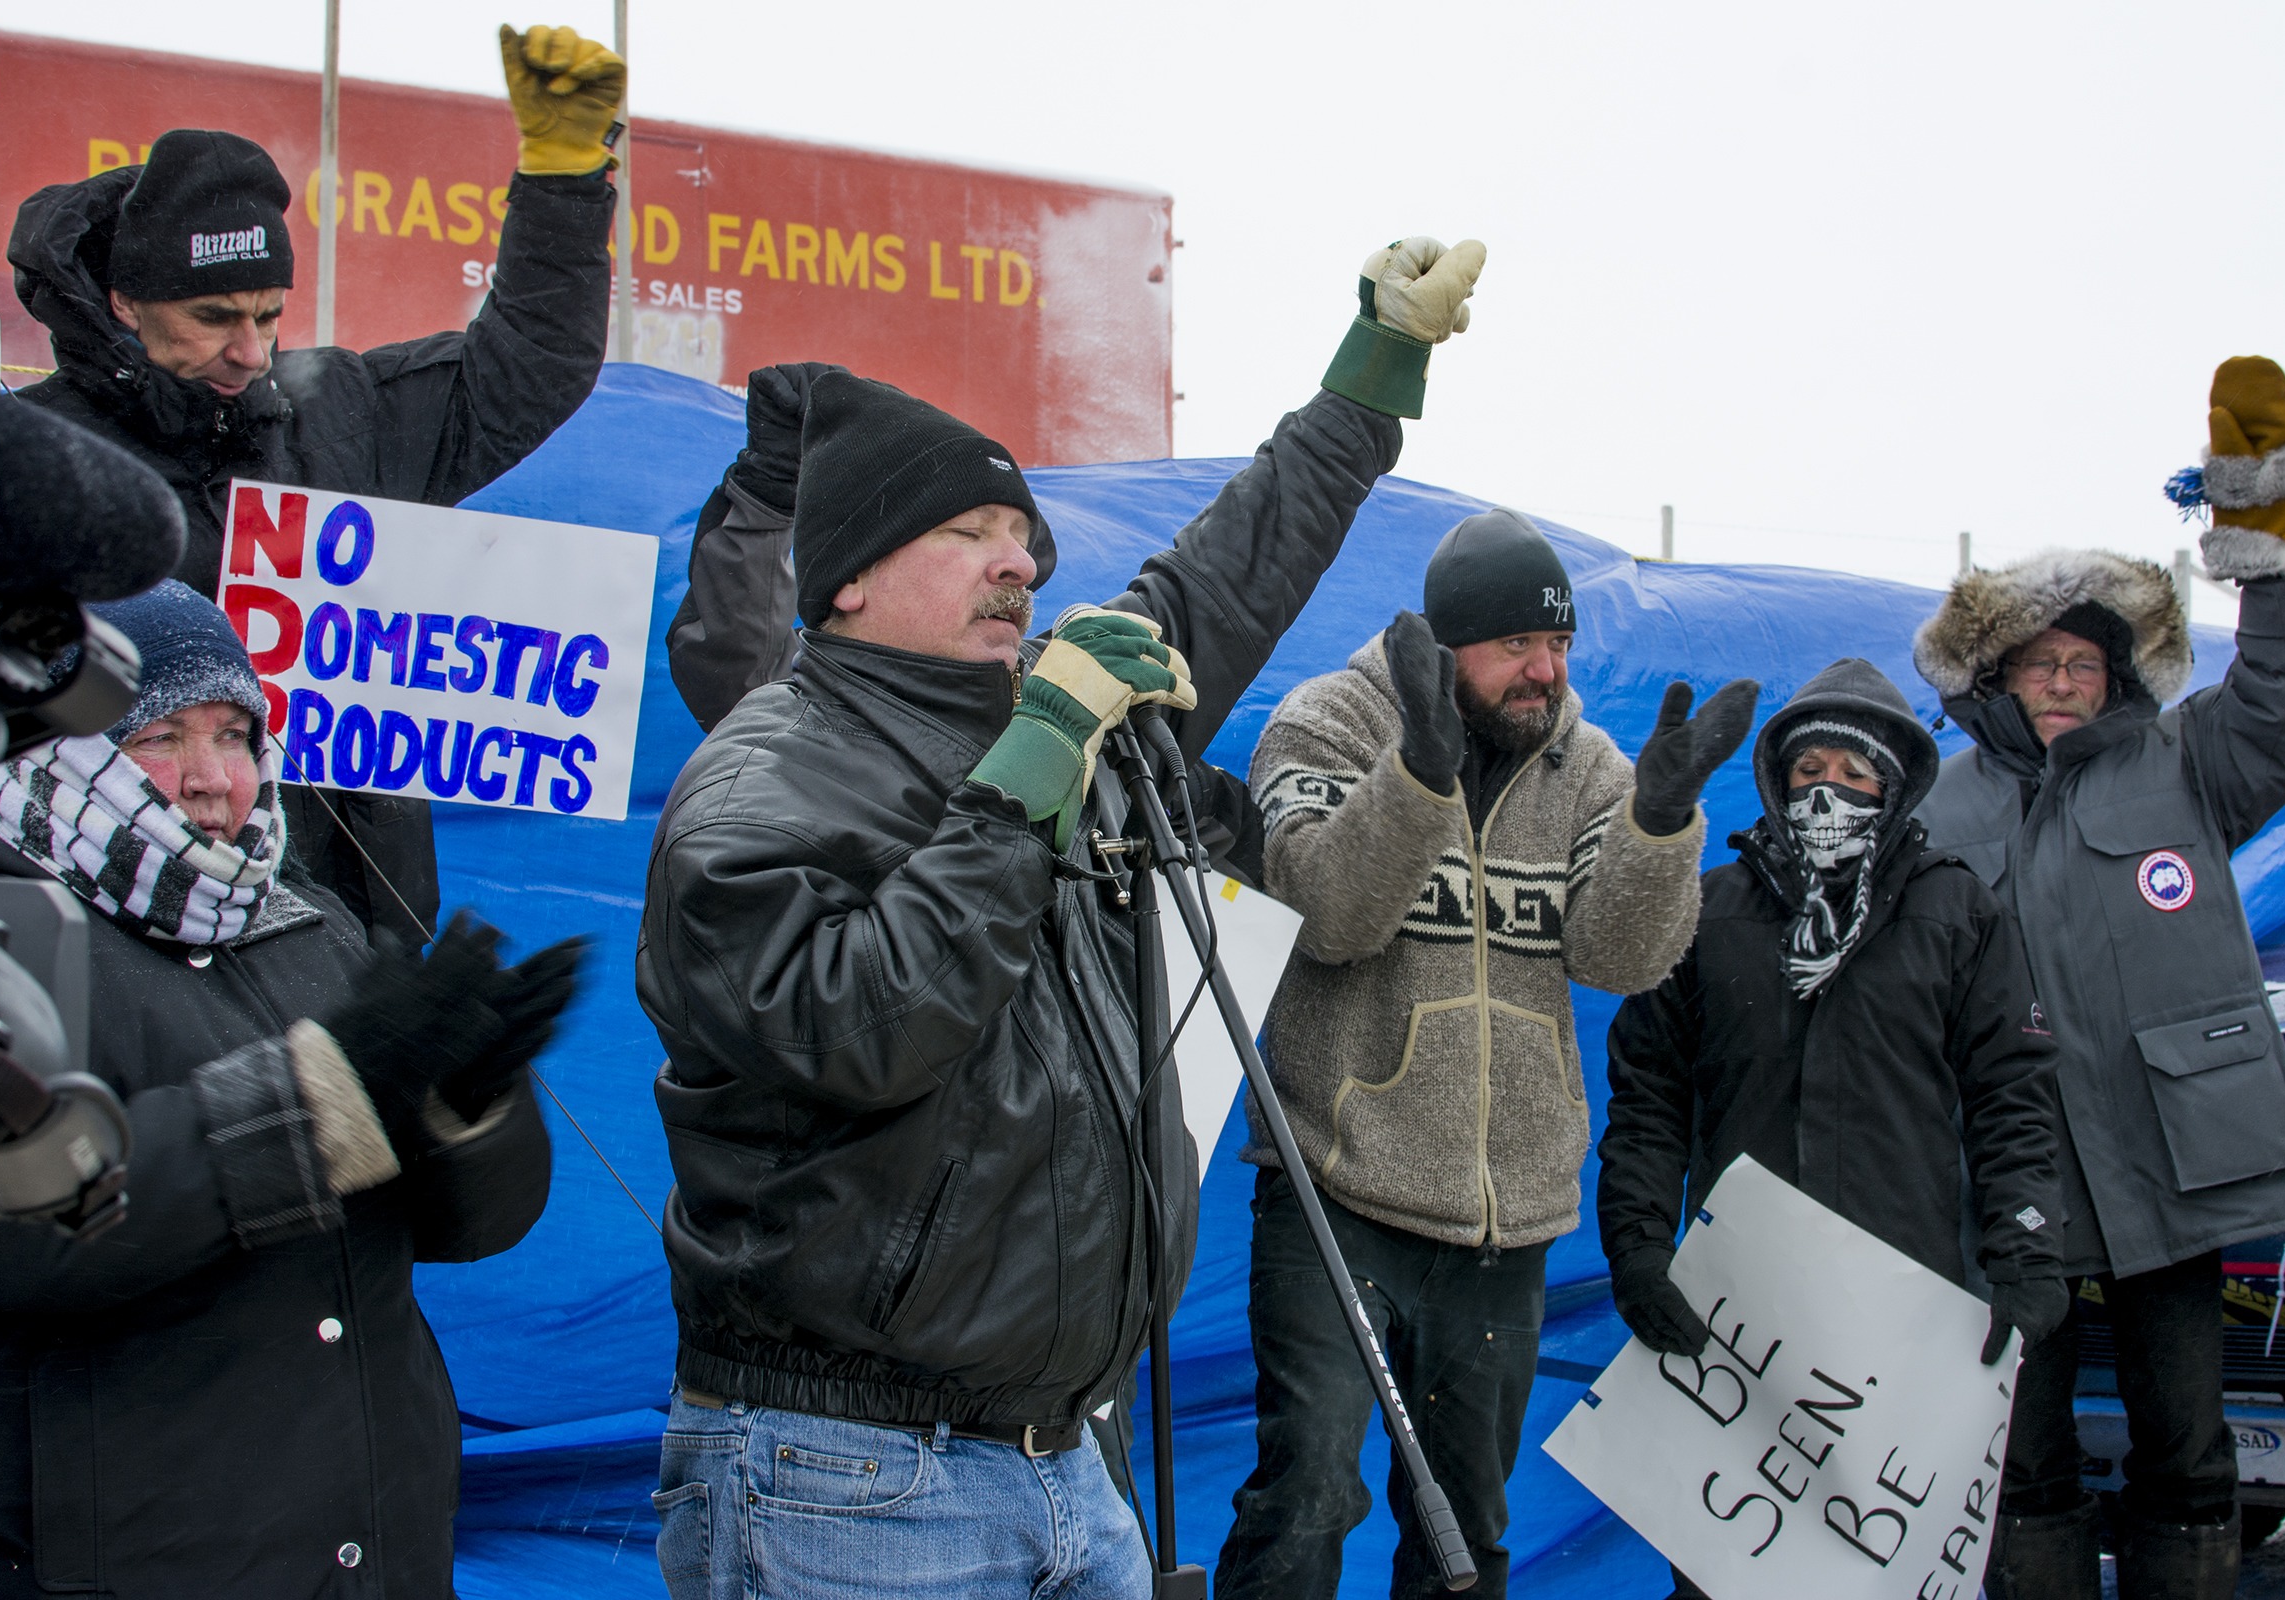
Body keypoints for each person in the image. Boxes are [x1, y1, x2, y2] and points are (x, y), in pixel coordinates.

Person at [636, 236, 1488, 1600]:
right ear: (847, 577)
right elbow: (866, 1025)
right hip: (848, 1480)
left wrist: (1376, 372)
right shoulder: (763, 779)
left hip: (1064, 1462)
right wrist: (1035, 761)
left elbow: (1231, 570)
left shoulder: (1071, 711)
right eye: (965, 535)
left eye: (1022, 535)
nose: (1016, 560)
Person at [0, 580, 585, 1597]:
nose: (211, 779)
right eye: (156, 737)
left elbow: (469, 1228)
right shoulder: (0, 939)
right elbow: (22, 1229)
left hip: (369, 1555)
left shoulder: (309, 923)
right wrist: (320, 1099)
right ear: (53, 748)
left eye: (234, 733)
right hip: (135, 1563)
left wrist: (465, 1109)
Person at [1215, 508, 1757, 1599]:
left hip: (1504, 1220)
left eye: (1556, 647)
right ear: (1445, 638)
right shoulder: (1323, 723)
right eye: (1516, 645)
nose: (1544, 673)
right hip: (1337, 1193)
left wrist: (1659, 822)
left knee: (1467, 1525)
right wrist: (1416, 769)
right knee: (1307, 1495)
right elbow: (1326, 916)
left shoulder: (1588, 764)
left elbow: (1621, 957)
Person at [8, 24, 622, 944]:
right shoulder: (34, 459)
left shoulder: (339, 411)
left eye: (269, 316)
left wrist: (566, 179)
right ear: (125, 305)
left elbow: (525, 368)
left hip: (350, 926)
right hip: (120, 932)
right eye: (215, 317)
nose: (251, 353)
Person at [1913, 357, 2285, 1600]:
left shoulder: (2188, 764)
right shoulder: (1934, 813)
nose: (2061, 679)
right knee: (2021, 1454)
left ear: (2117, 675)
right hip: (2015, 1183)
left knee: (2189, 1446)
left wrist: (2271, 541)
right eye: (2036, 662)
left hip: (2172, 1157)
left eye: (2083, 663)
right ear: (1993, 677)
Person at [1599, 658, 2067, 1600]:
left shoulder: (1955, 909)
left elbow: (2012, 1094)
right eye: (1810, 767)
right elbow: (1648, 1096)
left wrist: (2026, 1254)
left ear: (1893, 786)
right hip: (1740, 1316)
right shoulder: (1707, 909)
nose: (1829, 791)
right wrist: (1640, 1250)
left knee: (1875, 1575)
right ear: (1778, 780)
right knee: (1722, 1575)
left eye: (1854, 775)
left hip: (1906, 1307)